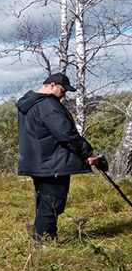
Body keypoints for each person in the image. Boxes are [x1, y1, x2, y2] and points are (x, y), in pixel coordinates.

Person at [17, 73, 100, 241]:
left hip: (38, 162)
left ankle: (41, 238)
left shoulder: (29, 104)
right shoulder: (48, 105)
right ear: (52, 85)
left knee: (45, 202)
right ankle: (45, 243)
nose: (64, 95)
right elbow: (66, 134)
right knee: (52, 203)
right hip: (53, 162)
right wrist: (87, 152)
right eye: (63, 90)